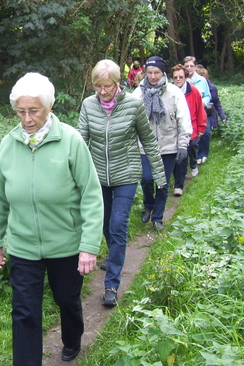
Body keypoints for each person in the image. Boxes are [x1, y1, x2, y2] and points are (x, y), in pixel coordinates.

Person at [0, 73, 103, 365]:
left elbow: (91, 194)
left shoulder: (71, 141)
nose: (26, 118)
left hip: (65, 243)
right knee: (24, 311)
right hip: (23, 246)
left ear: (49, 107)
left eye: (33, 110)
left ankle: (72, 338)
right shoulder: (8, 145)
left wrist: (89, 245)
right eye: (21, 111)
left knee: (67, 300)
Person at [78, 60, 165, 307]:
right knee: (104, 224)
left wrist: (159, 175)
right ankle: (114, 253)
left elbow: (148, 140)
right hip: (97, 176)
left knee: (118, 225)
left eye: (107, 86)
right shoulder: (88, 105)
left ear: (118, 83)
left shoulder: (134, 105)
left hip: (126, 174)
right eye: (97, 86)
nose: (102, 91)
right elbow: (80, 142)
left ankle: (111, 285)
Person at [132, 57, 192, 230]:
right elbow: (129, 119)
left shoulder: (173, 92)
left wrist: (183, 144)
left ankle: (157, 218)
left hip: (168, 146)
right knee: (146, 178)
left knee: (162, 182)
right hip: (144, 146)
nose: (153, 76)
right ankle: (148, 205)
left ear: (162, 72)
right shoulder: (138, 94)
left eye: (156, 72)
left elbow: (184, 119)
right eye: (150, 73)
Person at [171, 65, 206, 196]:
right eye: (175, 77)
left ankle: (183, 178)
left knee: (188, 151)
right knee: (176, 156)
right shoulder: (169, 91)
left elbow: (200, 110)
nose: (178, 79)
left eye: (181, 77)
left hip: (190, 128)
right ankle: (178, 183)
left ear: (186, 77)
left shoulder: (194, 91)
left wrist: (202, 127)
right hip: (173, 130)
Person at [196, 66, 227, 164]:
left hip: (208, 114)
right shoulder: (193, 87)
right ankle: (197, 155)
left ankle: (204, 154)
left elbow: (217, 102)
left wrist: (222, 116)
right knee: (197, 135)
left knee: (206, 133)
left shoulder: (212, 88)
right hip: (196, 114)